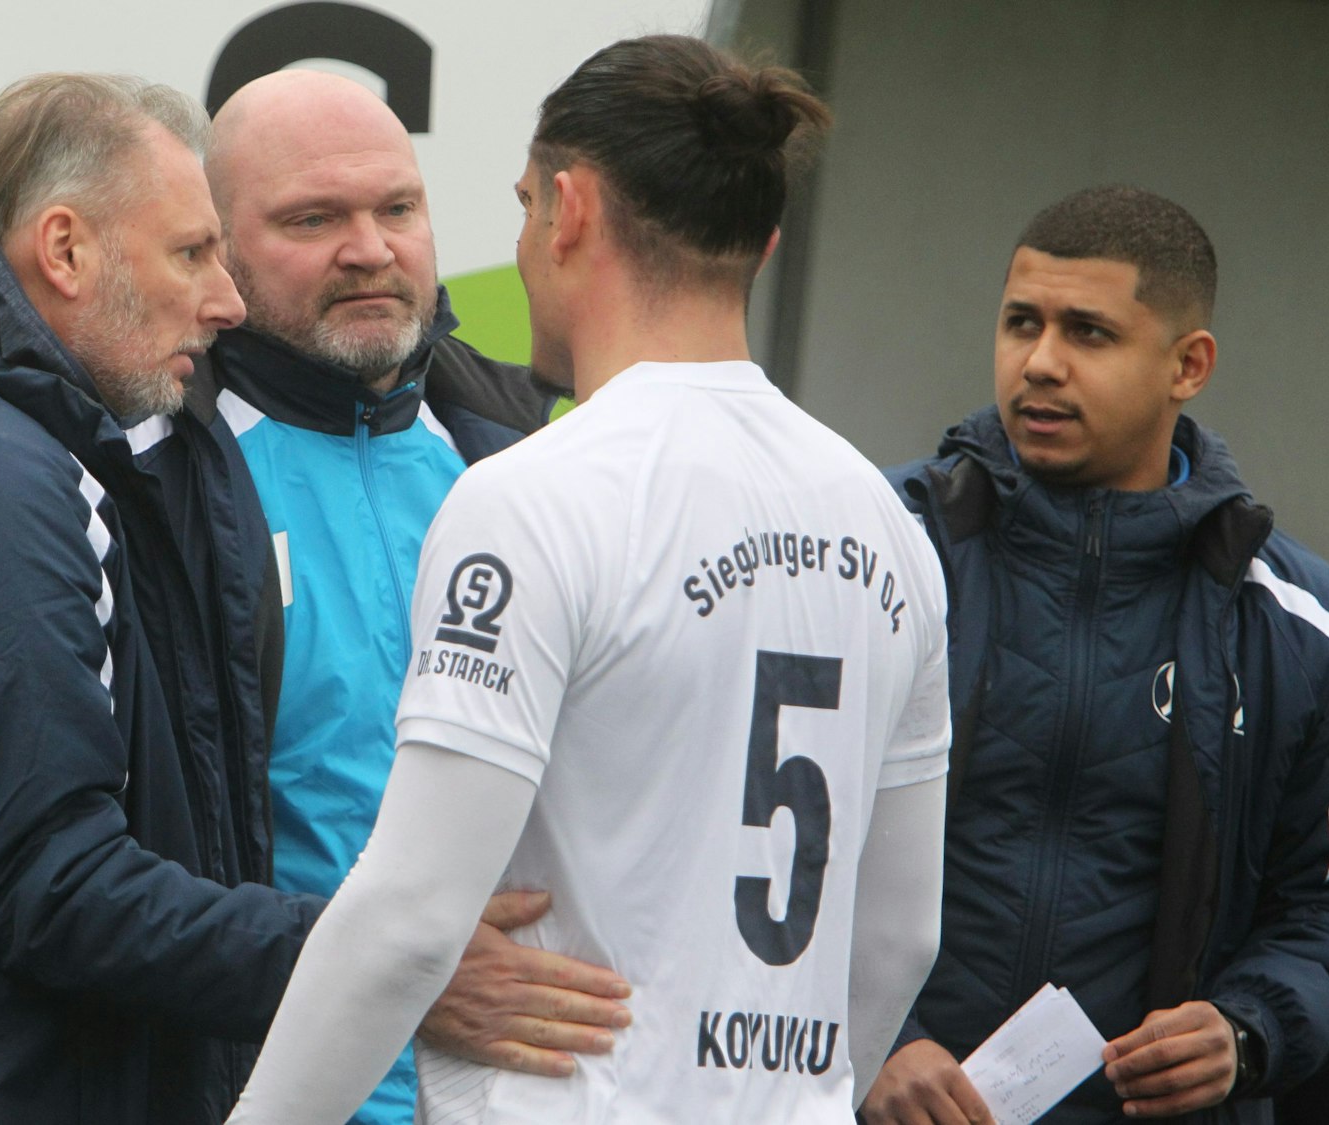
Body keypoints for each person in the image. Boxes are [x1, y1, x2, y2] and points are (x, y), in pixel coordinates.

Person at [0, 73, 612, 1125]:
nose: (219, 303)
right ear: (66, 251)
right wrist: (390, 966)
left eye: (398, 207)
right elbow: (48, 884)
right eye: (192, 253)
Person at [226, 35, 952, 1123]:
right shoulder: (887, 526)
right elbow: (899, 936)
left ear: (566, 211)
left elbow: (412, 917)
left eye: (520, 207)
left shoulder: (531, 494)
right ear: (756, 240)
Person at [863, 186, 1329, 1125]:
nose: (1040, 363)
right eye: (1022, 322)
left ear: (1189, 364)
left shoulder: (1306, 630)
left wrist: (1245, 1028)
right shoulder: (877, 548)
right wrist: (867, 1039)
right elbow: (756, 836)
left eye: (1088, 334)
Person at [185, 68, 597, 1125]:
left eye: (396, 209)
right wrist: (393, 972)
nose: (368, 249)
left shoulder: (522, 455)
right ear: (217, 247)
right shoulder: (155, 478)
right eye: (311, 218)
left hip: (514, 1095)